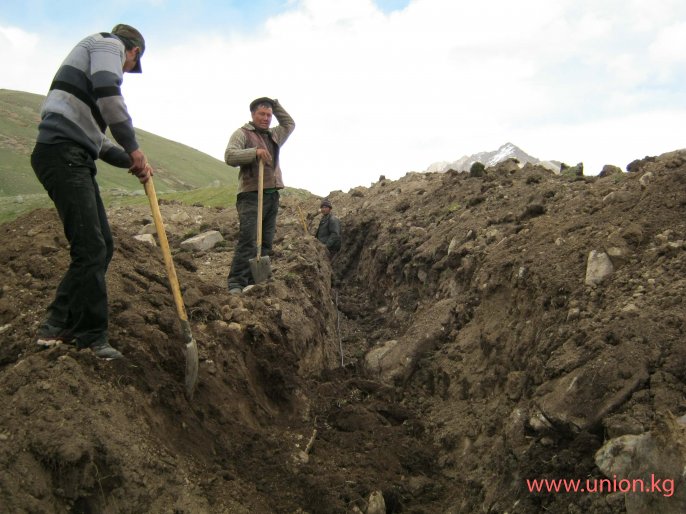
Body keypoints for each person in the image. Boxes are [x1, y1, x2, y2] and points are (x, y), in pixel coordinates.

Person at [30, 24, 152, 360]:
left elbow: (98, 143)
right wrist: (133, 145)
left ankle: (58, 326)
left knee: (101, 246)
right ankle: (91, 338)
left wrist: (132, 160)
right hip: (63, 154)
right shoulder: (107, 45)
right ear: (134, 52)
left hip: (74, 155)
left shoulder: (83, 100)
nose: (125, 70)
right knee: (91, 248)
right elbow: (109, 92)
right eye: (130, 66)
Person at [224, 97, 295, 294]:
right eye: (262, 114)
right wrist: (254, 152)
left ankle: (255, 280)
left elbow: (289, 123)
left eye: (269, 115)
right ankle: (236, 282)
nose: (266, 118)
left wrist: (276, 104)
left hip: (272, 195)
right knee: (248, 239)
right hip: (251, 195)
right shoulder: (242, 134)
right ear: (253, 115)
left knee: (266, 240)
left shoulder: (275, 135)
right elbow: (229, 156)